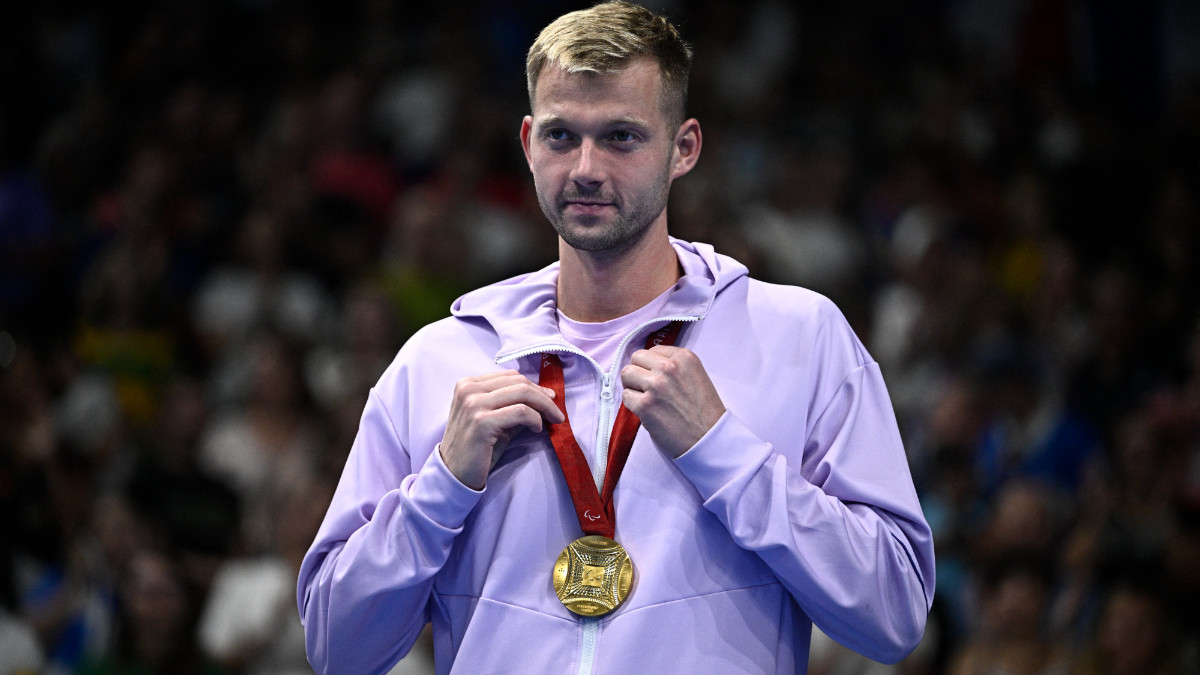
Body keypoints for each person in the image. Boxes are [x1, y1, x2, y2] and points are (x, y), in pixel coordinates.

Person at [297, 3, 934, 673]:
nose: (586, 168)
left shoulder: (800, 338)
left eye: (622, 137)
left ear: (683, 148)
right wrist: (443, 486)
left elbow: (892, 616)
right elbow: (337, 648)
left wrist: (725, 450)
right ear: (526, 142)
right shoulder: (440, 359)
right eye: (561, 136)